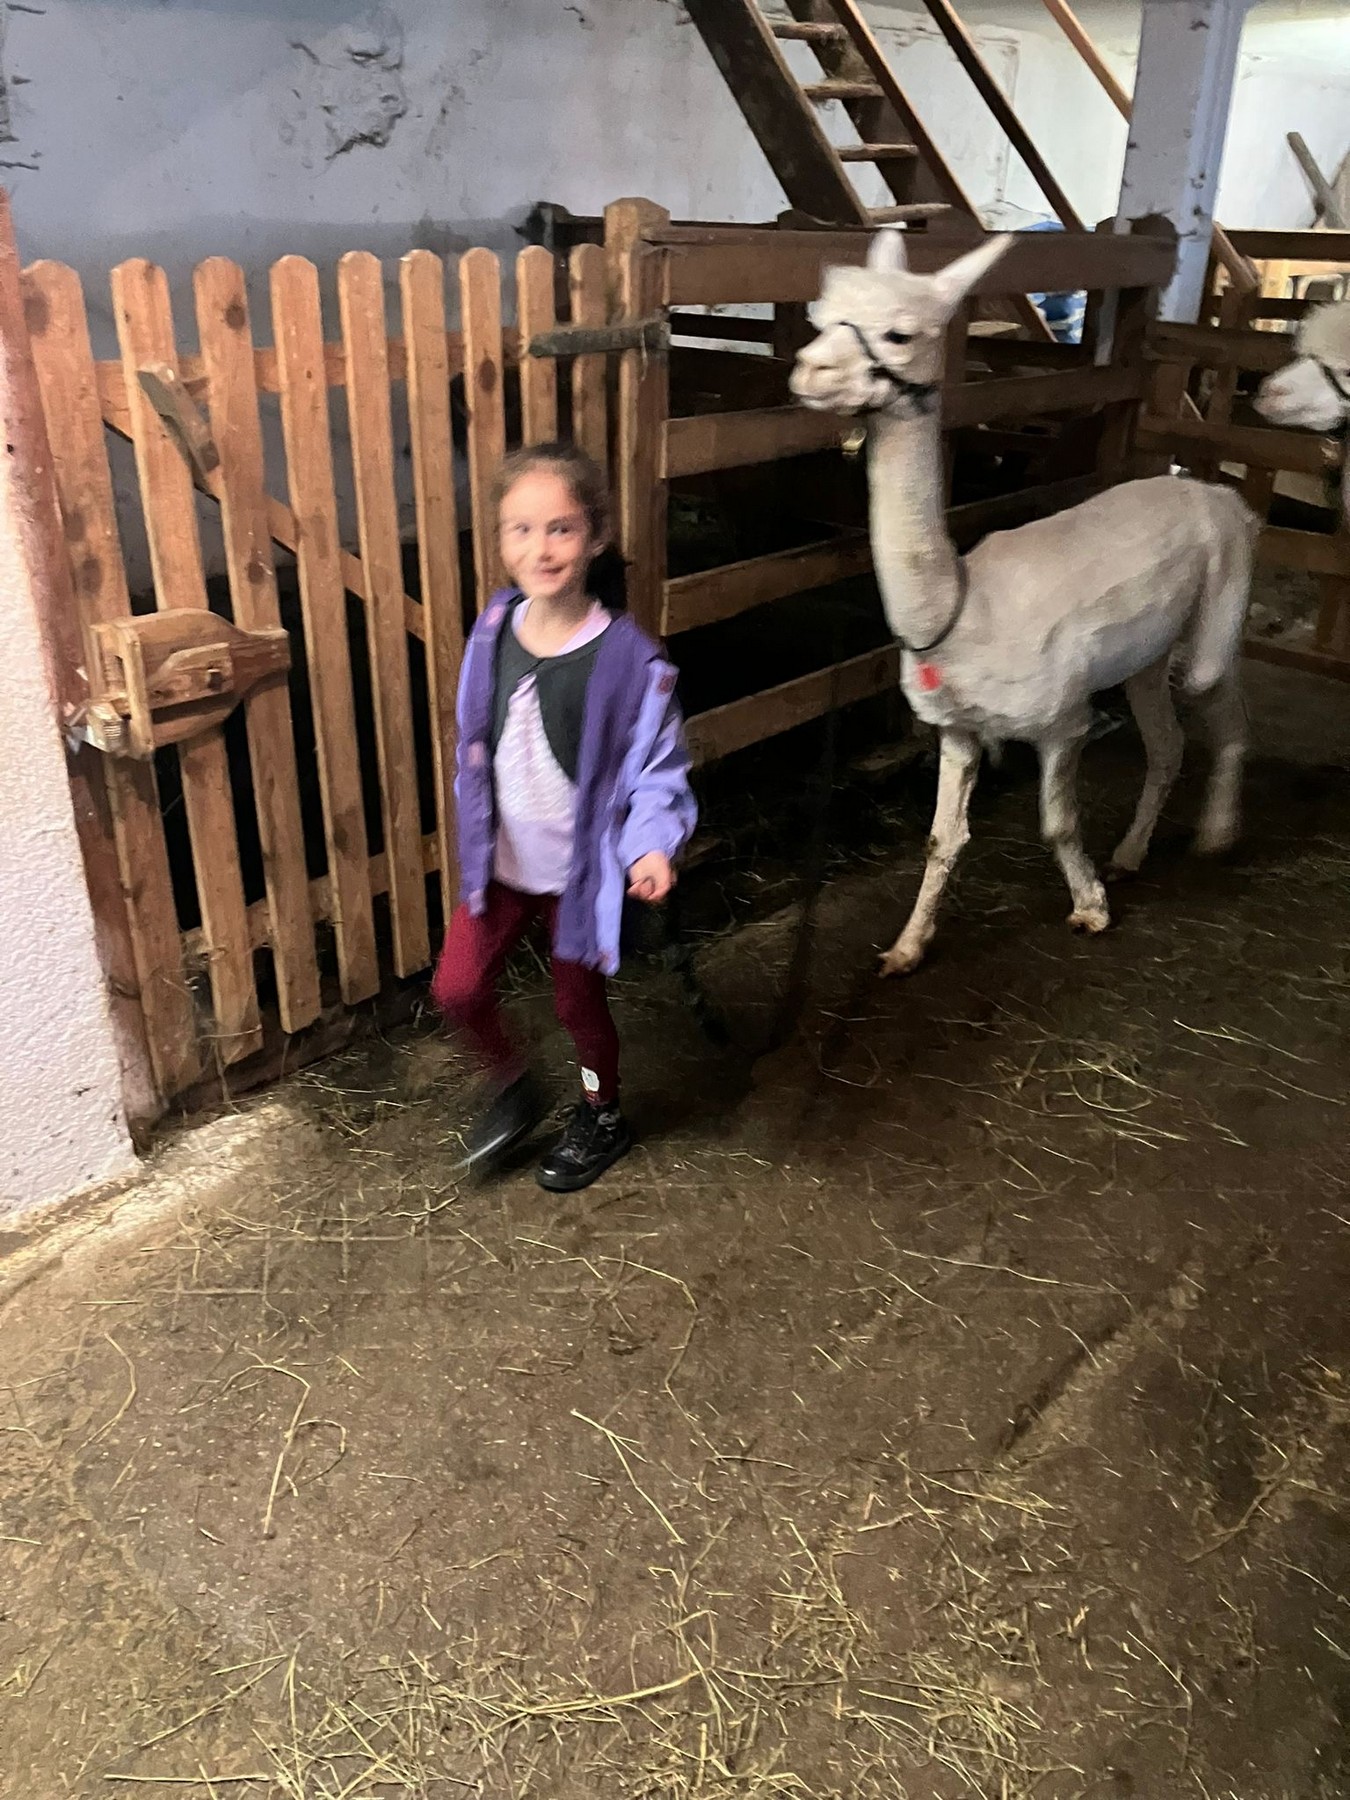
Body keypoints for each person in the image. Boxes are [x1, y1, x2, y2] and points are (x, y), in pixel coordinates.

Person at [431, 442, 697, 1191]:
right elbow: (477, 737)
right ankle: (513, 1083)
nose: (540, 549)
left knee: (578, 1008)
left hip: (579, 880)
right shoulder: (492, 630)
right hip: (502, 867)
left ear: (595, 535)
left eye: (560, 529)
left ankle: (601, 1111)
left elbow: (658, 768)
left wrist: (650, 846)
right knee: (456, 989)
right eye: (521, 529)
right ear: (500, 538)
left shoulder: (630, 660)